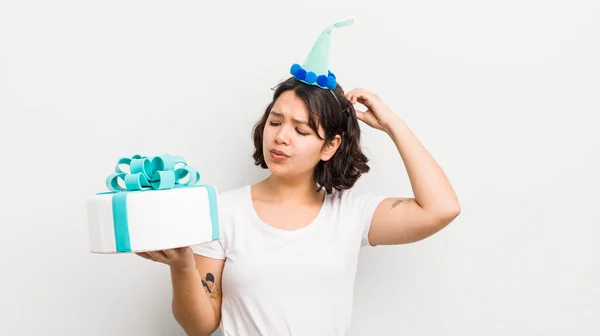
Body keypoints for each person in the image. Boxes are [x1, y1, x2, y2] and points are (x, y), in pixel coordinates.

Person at [136, 18, 460, 336]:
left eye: (301, 130)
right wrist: (180, 267)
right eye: (275, 123)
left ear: (330, 146)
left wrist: (394, 125)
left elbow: (441, 208)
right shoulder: (222, 212)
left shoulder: (350, 213)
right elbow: (199, 327)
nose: (281, 137)